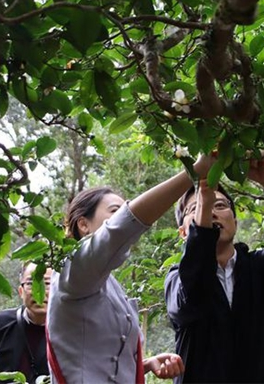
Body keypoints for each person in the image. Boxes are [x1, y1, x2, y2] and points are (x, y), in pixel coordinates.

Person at [46, 154, 215, 383]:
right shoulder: (71, 270)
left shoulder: (109, 285)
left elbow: (93, 363)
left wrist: (144, 365)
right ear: (83, 224)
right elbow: (124, 226)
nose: (122, 216)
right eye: (115, 210)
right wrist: (193, 171)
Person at [165, 155, 264, 383]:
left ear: (235, 223)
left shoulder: (262, 270)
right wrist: (205, 206)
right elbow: (193, 294)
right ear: (184, 233)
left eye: (220, 205)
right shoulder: (176, 279)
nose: (212, 211)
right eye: (195, 209)